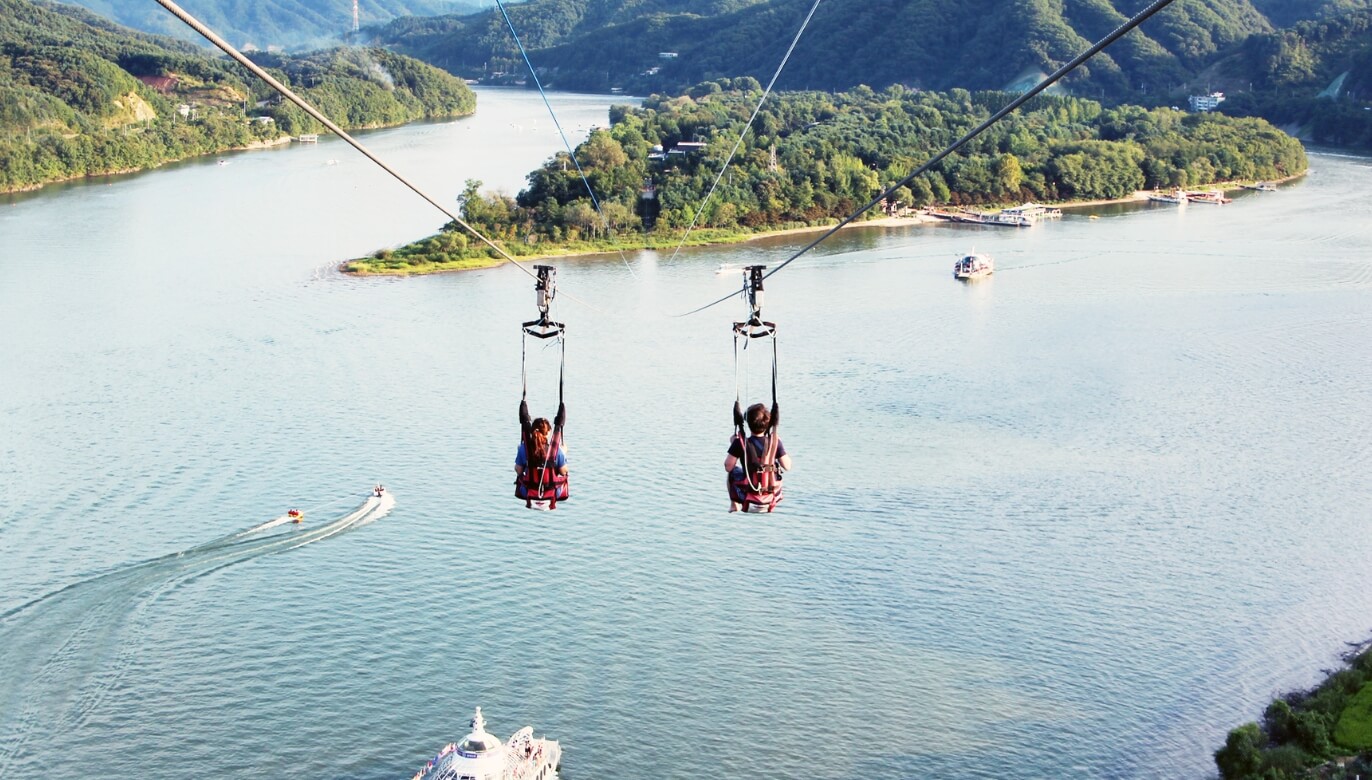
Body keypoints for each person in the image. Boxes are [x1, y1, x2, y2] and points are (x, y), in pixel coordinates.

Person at [725, 402, 791, 512]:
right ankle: (770, 497)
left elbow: (728, 466)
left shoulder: (740, 443)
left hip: (747, 491)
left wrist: (734, 444)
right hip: (770, 493)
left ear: (749, 424)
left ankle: (734, 504)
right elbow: (787, 466)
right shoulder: (774, 442)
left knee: (731, 473)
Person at [515, 416, 569, 503]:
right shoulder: (557, 451)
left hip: (527, 491)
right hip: (554, 492)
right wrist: (564, 453)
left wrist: (520, 453)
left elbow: (518, 470)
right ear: (548, 433)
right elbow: (563, 471)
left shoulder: (524, 449)